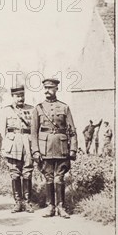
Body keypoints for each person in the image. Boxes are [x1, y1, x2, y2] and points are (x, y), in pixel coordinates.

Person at [31, 78, 78, 218]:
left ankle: (61, 206)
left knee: (60, 178)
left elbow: (72, 131)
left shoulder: (64, 107)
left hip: (61, 147)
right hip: (44, 148)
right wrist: (35, 150)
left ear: (56, 89)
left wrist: (73, 149)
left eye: (50, 88)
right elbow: (33, 132)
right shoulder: (38, 108)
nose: (47, 91)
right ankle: (50, 206)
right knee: (49, 178)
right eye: (45, 88)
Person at [0, 85, 35, 213]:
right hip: (12, 143)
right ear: (12, 96)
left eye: (22, 96)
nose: (20, 98)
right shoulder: (6, 111)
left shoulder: (32, 109)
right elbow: (1, 131)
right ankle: (18, 202)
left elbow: (35, 129)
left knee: (27, 172)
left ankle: (27, 202)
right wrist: (3, 148)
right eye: (17, 96)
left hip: (27, 142)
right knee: (14, 172)